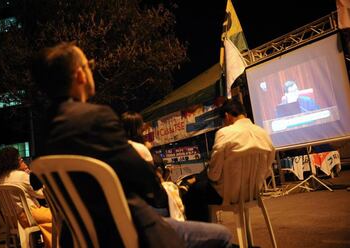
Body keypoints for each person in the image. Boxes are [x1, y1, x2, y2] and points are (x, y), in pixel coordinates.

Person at [31, 42, 233, 248]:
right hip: (130, 234)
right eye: (89, 65)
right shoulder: (97, 118)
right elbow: (144, 181)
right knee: (222, 235)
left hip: (79, 239)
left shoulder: (46, 131)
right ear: (80, 75)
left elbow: (35, 180)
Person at [208, 99, 275, 200]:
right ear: (244, 113)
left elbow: (214, 175)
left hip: (228, 195)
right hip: (254, 192)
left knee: (195, 191)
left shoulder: (224, 133)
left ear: (227, 116)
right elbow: (268, 171)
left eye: (224, 121)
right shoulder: (263, 132)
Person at [0, 147, 52, 248]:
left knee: (48, 223)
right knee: (60, 215)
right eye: (20, 159)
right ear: (13, 161)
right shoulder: (21, 176)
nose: (21, 161)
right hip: (30, 215)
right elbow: (41, 195)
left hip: (13, 219)